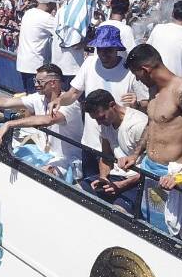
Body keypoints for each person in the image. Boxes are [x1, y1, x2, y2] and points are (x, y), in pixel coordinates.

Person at [118, 44, 182, 238]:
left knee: (174, 234)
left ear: (146, 70)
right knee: (149, 226)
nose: (138, 80)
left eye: (137, 75)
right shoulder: (154, 90)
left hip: (173, 176)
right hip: (150, 170)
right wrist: (135, 154)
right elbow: (152, 124)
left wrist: (181, 176)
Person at [0, 63, 82, 178]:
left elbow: (47, 120)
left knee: (43, 174)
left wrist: (9, 124)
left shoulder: (70, 104)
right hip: (42, 152)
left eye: (40, 81)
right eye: (35, 80)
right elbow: (5, 101)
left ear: (53, 83)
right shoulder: (38, 98)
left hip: (67, 160)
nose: (36, 84)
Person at [58, 25, 147, 175]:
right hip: (90, 142)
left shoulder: (130, 71)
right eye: (100, 49)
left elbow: (146, 106)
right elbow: (73, 93)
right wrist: (59, 100)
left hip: (118, 149)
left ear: (117, 49)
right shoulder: (89, 63)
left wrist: (137, 104)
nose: (103, 54)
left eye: (108, 50)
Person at [81, 89, 146, 213]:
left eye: (101, 117)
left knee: (117, 213)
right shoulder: (104, 124)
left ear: (112, 105)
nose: (99, 123)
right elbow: (106, 157)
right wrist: (103, 177)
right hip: (115, 177)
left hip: (138, 182)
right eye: (95, 119)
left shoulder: (138, 124)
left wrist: (123, 185)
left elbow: (152, 167)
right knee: (75, 191)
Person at [145, 0, 182, 77]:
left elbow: (147, 50)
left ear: (172, 14)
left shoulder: (158, 28)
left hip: (153, 80)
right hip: (174, 85)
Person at [15, 0, 59, 92]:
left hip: (23, 63)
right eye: (53, 5)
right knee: (37, 100)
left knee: (29, 97)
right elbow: (61, 32)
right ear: (49, 4)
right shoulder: (46, 18)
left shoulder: (28, 13)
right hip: (35, 66)